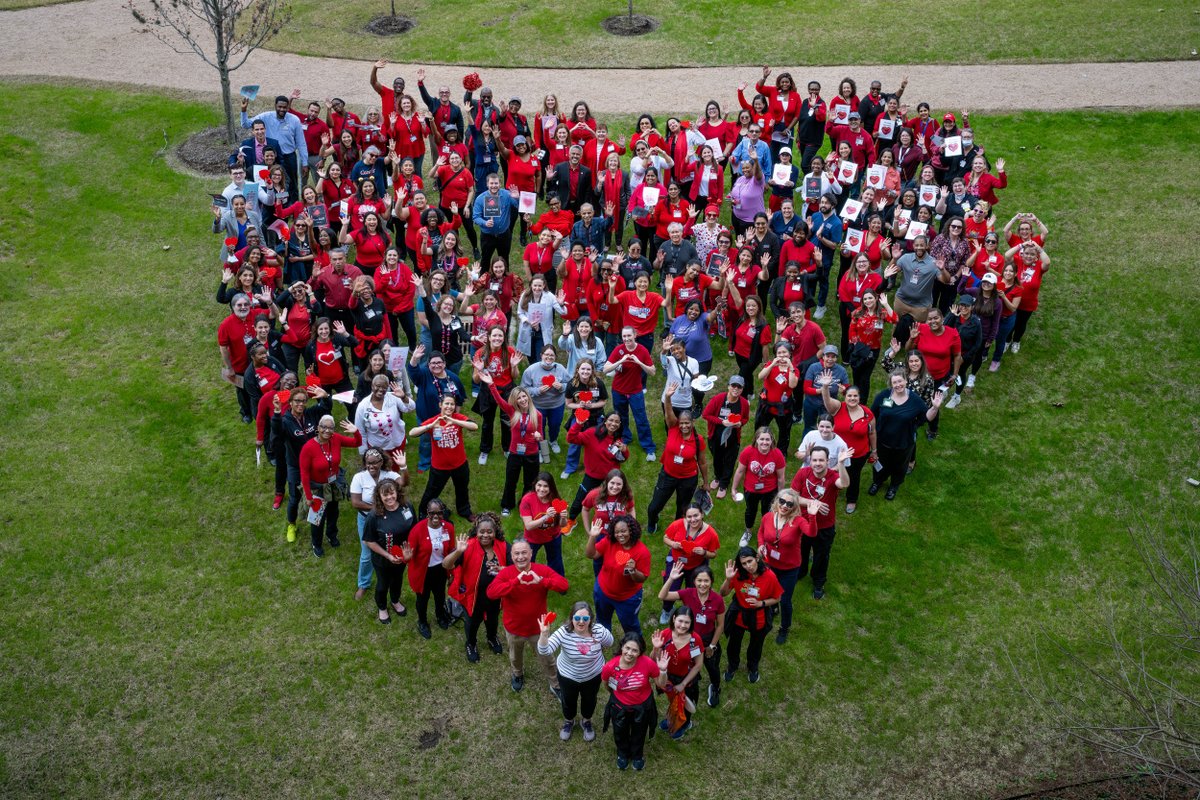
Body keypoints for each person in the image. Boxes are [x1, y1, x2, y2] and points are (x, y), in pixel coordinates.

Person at [486, 537, 570, 693]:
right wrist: (515, 582)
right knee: (515, 657)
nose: (520, 557)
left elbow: (564, 585)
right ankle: (517, 674)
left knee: (547, 658)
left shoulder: (542, 571)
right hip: (514, 628)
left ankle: (555, 683)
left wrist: (543, 581)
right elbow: (491, 593)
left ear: (531, 553)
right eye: (516, 553)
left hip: (539, 629)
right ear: (512, 556)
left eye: (524, 552)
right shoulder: (507, 574)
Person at [538, 601, 614, 742]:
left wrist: (603, 634)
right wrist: (544, 634)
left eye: (585, 619)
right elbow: (544, 651)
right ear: (571, 618)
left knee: (590, 700)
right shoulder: (564, 632)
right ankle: (569, 721)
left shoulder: (598, 630)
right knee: (568, 700)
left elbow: (610, 642)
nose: (581, 622)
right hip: (568, 675)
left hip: (593, 675)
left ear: (590, 619)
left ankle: (586, 721)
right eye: (577, 618)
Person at [755, 489, 822, 644]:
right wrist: (760, 546)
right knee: (769, 593)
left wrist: (812, 515)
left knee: (785, 600)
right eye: (782, 502)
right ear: (777, 501)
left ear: (794, 507)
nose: (784, 506)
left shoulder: (798, 521)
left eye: (789, 504)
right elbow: (761, 533)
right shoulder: (768, 517)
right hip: (769, 565)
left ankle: (784, 627)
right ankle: (773, 608)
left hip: (789, 569)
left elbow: (811, 533)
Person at [443, 512, 508, 663]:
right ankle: (471, 644)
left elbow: (514, 567)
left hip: (495, 596)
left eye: (489, 531)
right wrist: (458, 551)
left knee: (492, 620)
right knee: (472, 622)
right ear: (476, 532)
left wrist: (503, 569)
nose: (486, 535)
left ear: (495, 532)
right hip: (473, 597)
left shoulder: (503, 546)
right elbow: (446, 564)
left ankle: (492, 638)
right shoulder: (468, 546)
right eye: (482, 532)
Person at [870, 370, 945, 500]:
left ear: (905, 381)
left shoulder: (915, 400)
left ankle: (894, 486)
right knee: (880, 463)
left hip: (904, 442)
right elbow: (872, 414)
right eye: (894, 382)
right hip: (883, 441)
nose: (898, 384)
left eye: (900, 381)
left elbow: (927, 417)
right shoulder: (884, 396)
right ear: (891, 384)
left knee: (899, 466)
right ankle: (877, 482)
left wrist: (935, 408)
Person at [272, 385, 332, 543]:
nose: (300, 404)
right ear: (290, 402)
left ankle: (316, 519)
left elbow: (326, 410)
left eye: (304, 401)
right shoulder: (285, 421)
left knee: (318, 493)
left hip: (315, 464)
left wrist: (325, 397)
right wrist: (277, 412)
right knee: (294, 498)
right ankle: (291, 525)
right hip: (296, 466)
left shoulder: (310, 414)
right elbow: (277, 432)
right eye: (297, 401)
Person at [790, 445, 851, 599]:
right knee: (800, 550)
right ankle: (801, 571)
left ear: (827, 461)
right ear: (810, 460)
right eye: (814, 460)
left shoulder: (832, 475)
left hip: (824, 527)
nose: (817, 463)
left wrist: (842, 464)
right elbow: (793, 497)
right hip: (803, 524)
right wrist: (813, 503)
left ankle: (818, 582)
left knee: (821, 556)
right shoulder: (803, 473)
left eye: (821, 460)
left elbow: (844, 484)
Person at [601, 632, 666, 771]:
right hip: (619, 706)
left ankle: (637, 755)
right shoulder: (610, 667)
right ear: (622, 647)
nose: (630, 653)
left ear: (640, 652)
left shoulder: (647, 663)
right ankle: (622, 754)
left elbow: (660, 684)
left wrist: (663, 670)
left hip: (642, 707)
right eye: (627, 648)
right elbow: (607, 684)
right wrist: (617, 696)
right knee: (620, 731)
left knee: (639, 732)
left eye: (635, 650)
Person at [645, 397, 710, 535]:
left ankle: (676, 529)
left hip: (688, 479)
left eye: (687, 423)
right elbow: (668, 413)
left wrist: (706, 482)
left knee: (682, 509)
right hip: (668, 475)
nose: (684, 426)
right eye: (681, 423)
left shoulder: (698, 440)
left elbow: (702, 462)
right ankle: (652, 522)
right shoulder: (673, 429)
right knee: (654, 507)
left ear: (692, 422)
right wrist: (667, 398)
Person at [299, 416, 362, 557]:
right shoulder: (308, 447)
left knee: (333, 512)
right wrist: (309, 497)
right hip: (318, 488)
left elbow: (357, 443)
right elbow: (304, 474)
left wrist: (355, 431)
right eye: (324, 427)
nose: (327, 430)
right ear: (318, 428)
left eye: (331, 428)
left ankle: (331, 535)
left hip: (333, 484)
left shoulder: (336, 439)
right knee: (317, 518)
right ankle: (316, 543)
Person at [350, 447, 406, 602]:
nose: (371, 466)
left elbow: (404, 483)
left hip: (389, 520)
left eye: (374, 463)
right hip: (367, 519)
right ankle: (363, 584)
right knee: (367, 553)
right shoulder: (359, 477)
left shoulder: (389, 475)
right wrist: (377, 508)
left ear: (381, 462)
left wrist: (403, 467)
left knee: (388, 549)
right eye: (368, 463)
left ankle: (388, 577)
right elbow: (355, 502)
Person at [719, 547, 782, 685]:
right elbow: (722, 593)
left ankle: (753, 668)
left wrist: (761, 603)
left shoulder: (770, 576)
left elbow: (777, 598)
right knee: (733, 644)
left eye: (750, 561)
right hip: (739, 615)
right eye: (744, 563)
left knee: (756, 645)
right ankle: (732, 666)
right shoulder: (738, 574)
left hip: (759, 616)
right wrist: (728, 579)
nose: (748, 566)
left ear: (757, 559)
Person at [410, 394, 478, 520]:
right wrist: (430, 426)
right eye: (446, 403)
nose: (449, 406)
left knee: (462, 488)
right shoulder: (435, 420)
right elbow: (412, 433)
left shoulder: (458, 418)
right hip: (439, 467)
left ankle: (464, 511)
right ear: (440, 405)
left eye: (452, 404)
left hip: (460, 464)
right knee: (431, 491)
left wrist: (455, 421)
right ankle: (423, 512)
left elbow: (474, 426)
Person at [361, 476, 416, 624]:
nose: (390, 497)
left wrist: (409, 553)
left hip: (402, 556)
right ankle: (382, 607)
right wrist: (388, 556)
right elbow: (368, 541)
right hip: (383, 560)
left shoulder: (407, 507)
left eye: (392, 493)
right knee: (383, 584)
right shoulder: (374, 516)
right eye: (385, 495)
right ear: (379, 496)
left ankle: (395, 600)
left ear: (397, 492)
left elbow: (414, 530)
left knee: (397, 580)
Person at [586, 515, 651, 635]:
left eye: (623, 531)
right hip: (603, 592)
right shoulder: (610, 541)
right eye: (616, 532)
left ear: (631, 530)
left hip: (627, 599)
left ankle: (635, 646)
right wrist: (593, 536)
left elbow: (642, 578)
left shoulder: (642, 552)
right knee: (602, 622)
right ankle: (604, 639)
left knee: (630, 626)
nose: (620, 535)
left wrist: (633, 570)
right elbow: (591, 554)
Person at [406, 344, 466, 472]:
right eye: (432, 363)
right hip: (427, 417)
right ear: (428, 365)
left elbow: (460, 399)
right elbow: (412, 371)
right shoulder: (424, 375)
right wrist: (414, 359)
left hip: (447, 419)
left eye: (439, 362)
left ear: (444, 364)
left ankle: (445, 460)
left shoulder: (453, 378)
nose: (436, 365)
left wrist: (456, 416)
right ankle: (425, 463)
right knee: (426, 441)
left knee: (445, 440)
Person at [402, 498, 455, 639]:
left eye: (439, 512)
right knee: (422, 599)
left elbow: (450, 550)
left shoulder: (448, 528)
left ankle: (440, 616)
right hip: (423, 572)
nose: (436, 516)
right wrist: (406, 557)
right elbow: (409, 556)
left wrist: (451, 572)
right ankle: (423, 622)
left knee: (439, 596)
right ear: (427, 513)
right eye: (432, 513)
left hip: (440, 570)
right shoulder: (417, 530)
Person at [819, 384, 876, 515]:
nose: (852, 398)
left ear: (859, 397)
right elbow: (827, 400)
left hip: (858, 454)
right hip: (835, 452)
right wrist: (825, 387)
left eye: (855, 396)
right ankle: (827, 492)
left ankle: (852, 499)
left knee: (854, 477)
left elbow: (872, 433)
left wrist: (874, 450)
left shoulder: (868, 414)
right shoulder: (838, 408)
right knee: (830, 473)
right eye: (849, 395)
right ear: (845, 397)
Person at [603, 327, 657, 462]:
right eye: (624, 336)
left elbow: (652, 372)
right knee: (620, 418)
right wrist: (621, 361)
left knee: (641, 419)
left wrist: (638, 362)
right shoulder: (619, 349)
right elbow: (605, 369)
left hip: (635, 391)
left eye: (629, 336)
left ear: (635, 335)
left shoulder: (642, 350)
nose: (626, 339)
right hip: (618, 390)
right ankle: (625, 438)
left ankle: (649, 447)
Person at [906, 307, 961, 440]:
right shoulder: (921, 329)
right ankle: (910, 422)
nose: (933, 321)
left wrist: (954, 375)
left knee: (933, 403)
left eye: (936, 318)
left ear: (942, 319)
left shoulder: (952, 334)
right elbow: (908, 350)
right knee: (914, 398)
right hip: (919, 374)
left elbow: (957, 356)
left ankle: (932, 429)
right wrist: (912, 338)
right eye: (929, 319)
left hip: (939, 377)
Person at [649, 608, 703, 738]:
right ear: (674, 619)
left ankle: (685, 724)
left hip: (686, 679)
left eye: (687, 622)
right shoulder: (665, 634)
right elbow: (652, 659)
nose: (683, 625)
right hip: (667, 677)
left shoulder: (695, 640)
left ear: (691, 623)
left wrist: (683, 684)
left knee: (684, 704)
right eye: (680, 621)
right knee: (673, 700)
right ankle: (672, 719)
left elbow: (698, 665)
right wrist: (656, 648)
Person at [217, 291, 271, 422]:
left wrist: (269, 301)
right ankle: (246, 412)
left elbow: (273, 314)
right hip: (240, 365)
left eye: (246, 304)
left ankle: (263, 410)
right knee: (242, 390)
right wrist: (229, 367)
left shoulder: (257, 314)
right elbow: (223, 348)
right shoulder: (226, 325)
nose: (243, 307)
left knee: (261, 386)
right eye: (239, 305)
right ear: (233, 307)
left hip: (260, 362)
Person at [659, 504, 719, 621]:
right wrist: (673, 544)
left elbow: (714, 554)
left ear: (702, 514)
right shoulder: (678, 524)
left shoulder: (711, 533)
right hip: (677, 563)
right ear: (685, 517)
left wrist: (704, 552)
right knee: (670, 587)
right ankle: (667, 611)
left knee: (693, 593)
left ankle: (687, 613)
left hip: (696, 567)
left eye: (696, 515)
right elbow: (665, 538)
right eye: (689, 517)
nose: (693, 520)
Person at [472, 326, 522, 464]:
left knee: (507, 421)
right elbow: (476, 380)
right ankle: (485, 450)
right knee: (487, 422)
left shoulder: (510, 351)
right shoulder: (480, 353)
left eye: (500, 336)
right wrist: (479, 369)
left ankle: (507, 448)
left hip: (507, 390)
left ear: (504, 338)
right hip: (488, 390)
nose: (497, 338)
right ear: (488, 337)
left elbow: (514, 376)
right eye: (494, 336)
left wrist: (514, 365)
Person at [567, 415, 631, 522]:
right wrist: (578, 424)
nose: (613, 424)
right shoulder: (592, 433)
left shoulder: (617, 438)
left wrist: (625, 450)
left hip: (611, 476)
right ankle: (571, 520)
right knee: (582, 497)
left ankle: (616, 517)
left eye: (617, 422)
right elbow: (571, 438)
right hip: (593, 475)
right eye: (611, 420)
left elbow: (622, 459)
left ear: (620, 425)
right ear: (605, 421)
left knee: (616, 497)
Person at [730, 427, 787, 546]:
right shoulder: (748, 451)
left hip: (770, 490)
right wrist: (734, 489)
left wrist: (780, 496)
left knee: (768, 512)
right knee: (750, 511)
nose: (764, 442)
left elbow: (781, 477)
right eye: (761, 439)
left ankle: (766, 533)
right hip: (751, 489)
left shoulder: (777, 454)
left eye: (767, 439)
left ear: (772, 440)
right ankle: (748, 532)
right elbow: (740, 471)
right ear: (756, 439)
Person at [701, 374, 750, 498]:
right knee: (717, 458)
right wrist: (721, 421)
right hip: (716, 436)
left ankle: (723, 484)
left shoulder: (744, 403)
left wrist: (740, 423)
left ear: (742, 389)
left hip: (733, 438)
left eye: (739, 387)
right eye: (733, 385)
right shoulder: (718, 399)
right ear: (728, 386)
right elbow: (706, 415)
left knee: (729, 460)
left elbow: (745, 418)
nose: (736, 389)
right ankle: (718, 477)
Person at [520, 345, 570, 460]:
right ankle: (539, 448)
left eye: (552, 355)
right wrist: (537, 390)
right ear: (541, 355)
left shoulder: (561, 369)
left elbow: (570, 384)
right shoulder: (531, 370)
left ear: (555, 357)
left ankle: (553, 441)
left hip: (557, 404)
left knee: (555, 425)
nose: (549, 357)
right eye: (546, 354)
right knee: (538, 427)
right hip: (538, 405)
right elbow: (524, 388)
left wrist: (562, 387)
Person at [519, 472, 570, 576]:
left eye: (546, 486)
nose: (542, 489)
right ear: (535, 485)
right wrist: (546, 517)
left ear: (551, 487)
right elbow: (528, 526)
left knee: (556, 561)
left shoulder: (556, 500)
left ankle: (558, 583)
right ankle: (527, 582)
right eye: (539, 485)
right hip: (532, 538)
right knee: (527, 562)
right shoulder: (527, 500)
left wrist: (564, 518)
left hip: (553, 537)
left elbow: (562, 525)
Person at [754, 341, 800, 455]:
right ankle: (758, 447)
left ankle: (781, 452)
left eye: (785, 352)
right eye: (779, 353)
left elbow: (792, 385)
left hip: (783, 407)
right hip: (766, 405)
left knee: (784, 431)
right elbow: (760, 376)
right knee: (760, 427)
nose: (782, 355)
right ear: (775, 354)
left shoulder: (794, 369)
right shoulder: (770, 364)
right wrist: (771, 365)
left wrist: (790, 367)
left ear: (789, 354)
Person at [801, 345, 849, 435]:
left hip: (829, 405)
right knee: (809, 427)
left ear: (836, 358)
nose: (830, 359)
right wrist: (822, 390)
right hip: (811, 402)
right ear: (823, 357)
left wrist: (843, 391)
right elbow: (806, 389)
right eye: (828, 356)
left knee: (827, 428)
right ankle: (807, 447)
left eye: (833, 357)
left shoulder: (841, 371)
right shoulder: (813, 367)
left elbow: (847, 390)